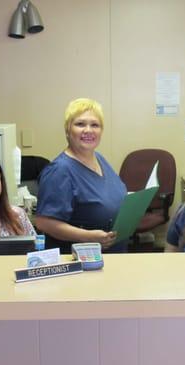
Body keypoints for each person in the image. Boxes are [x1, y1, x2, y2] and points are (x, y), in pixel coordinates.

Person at [35, 98, 127, 253]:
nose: (88, 130)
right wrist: (89, 236)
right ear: (67, 130)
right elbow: (44, 222)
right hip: (81, 260)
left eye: (95, 125)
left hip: (113, 254)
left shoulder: (99, 158)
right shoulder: (60, 171)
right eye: (80, 124)